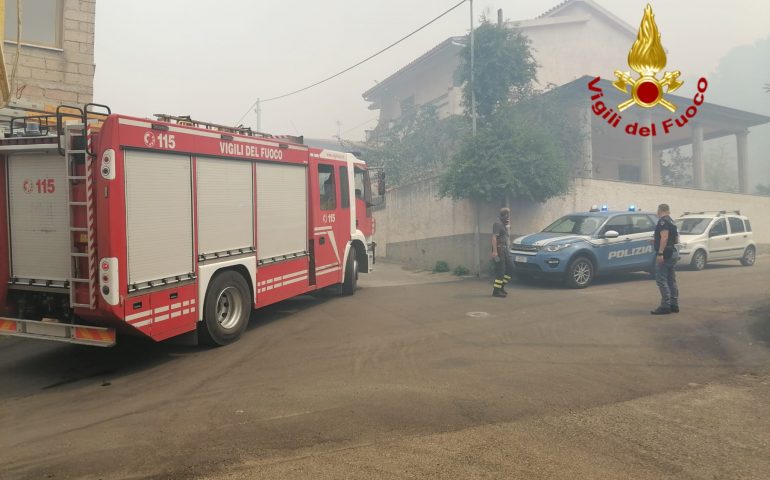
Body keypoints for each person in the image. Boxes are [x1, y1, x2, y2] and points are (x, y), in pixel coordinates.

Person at [651, 203, 680, 315]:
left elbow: (664, 237)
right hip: (672, 252)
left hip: (666, 254)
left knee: (661, 279)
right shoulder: (672, 222)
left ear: (660, 210)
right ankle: (674, 304)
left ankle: (665, 306)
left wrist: (660, 252)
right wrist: (656, 241)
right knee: (671, 279)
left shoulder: (663, 222)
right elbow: (676, 239)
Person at [492, 207, 514, 298]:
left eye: (508, 215)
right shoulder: (497, 224)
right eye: (506, 215)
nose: (508, 217)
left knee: (511, 269)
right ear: (502, 215)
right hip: (499, 249)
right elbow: (494, 237)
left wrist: (507, 225)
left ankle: (501, 287)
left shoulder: (503, 225)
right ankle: (496, 291)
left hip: (505, 250)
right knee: (501, 272)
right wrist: (494, 251)